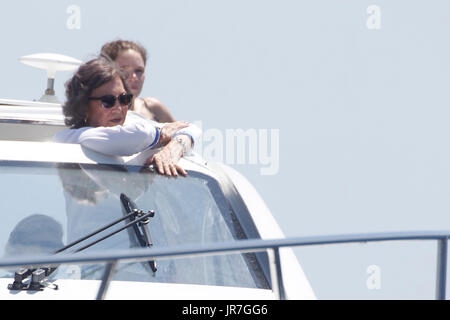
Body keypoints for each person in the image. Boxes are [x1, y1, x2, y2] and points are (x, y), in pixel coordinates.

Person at [54, 57, 201, 177]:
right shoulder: (70, 139)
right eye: (108, 101)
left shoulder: (133, 126)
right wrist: (161, 135)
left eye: (124, 99)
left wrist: (175, 147)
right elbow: (140, 135)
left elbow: (190, 128)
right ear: (84, 107)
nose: (119, 108)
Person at [100, 39, 175, 123]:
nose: (134, 77)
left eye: (139, 71)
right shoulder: (95, 111)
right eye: (123, 70)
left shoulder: (153, 108)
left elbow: (183, 131)